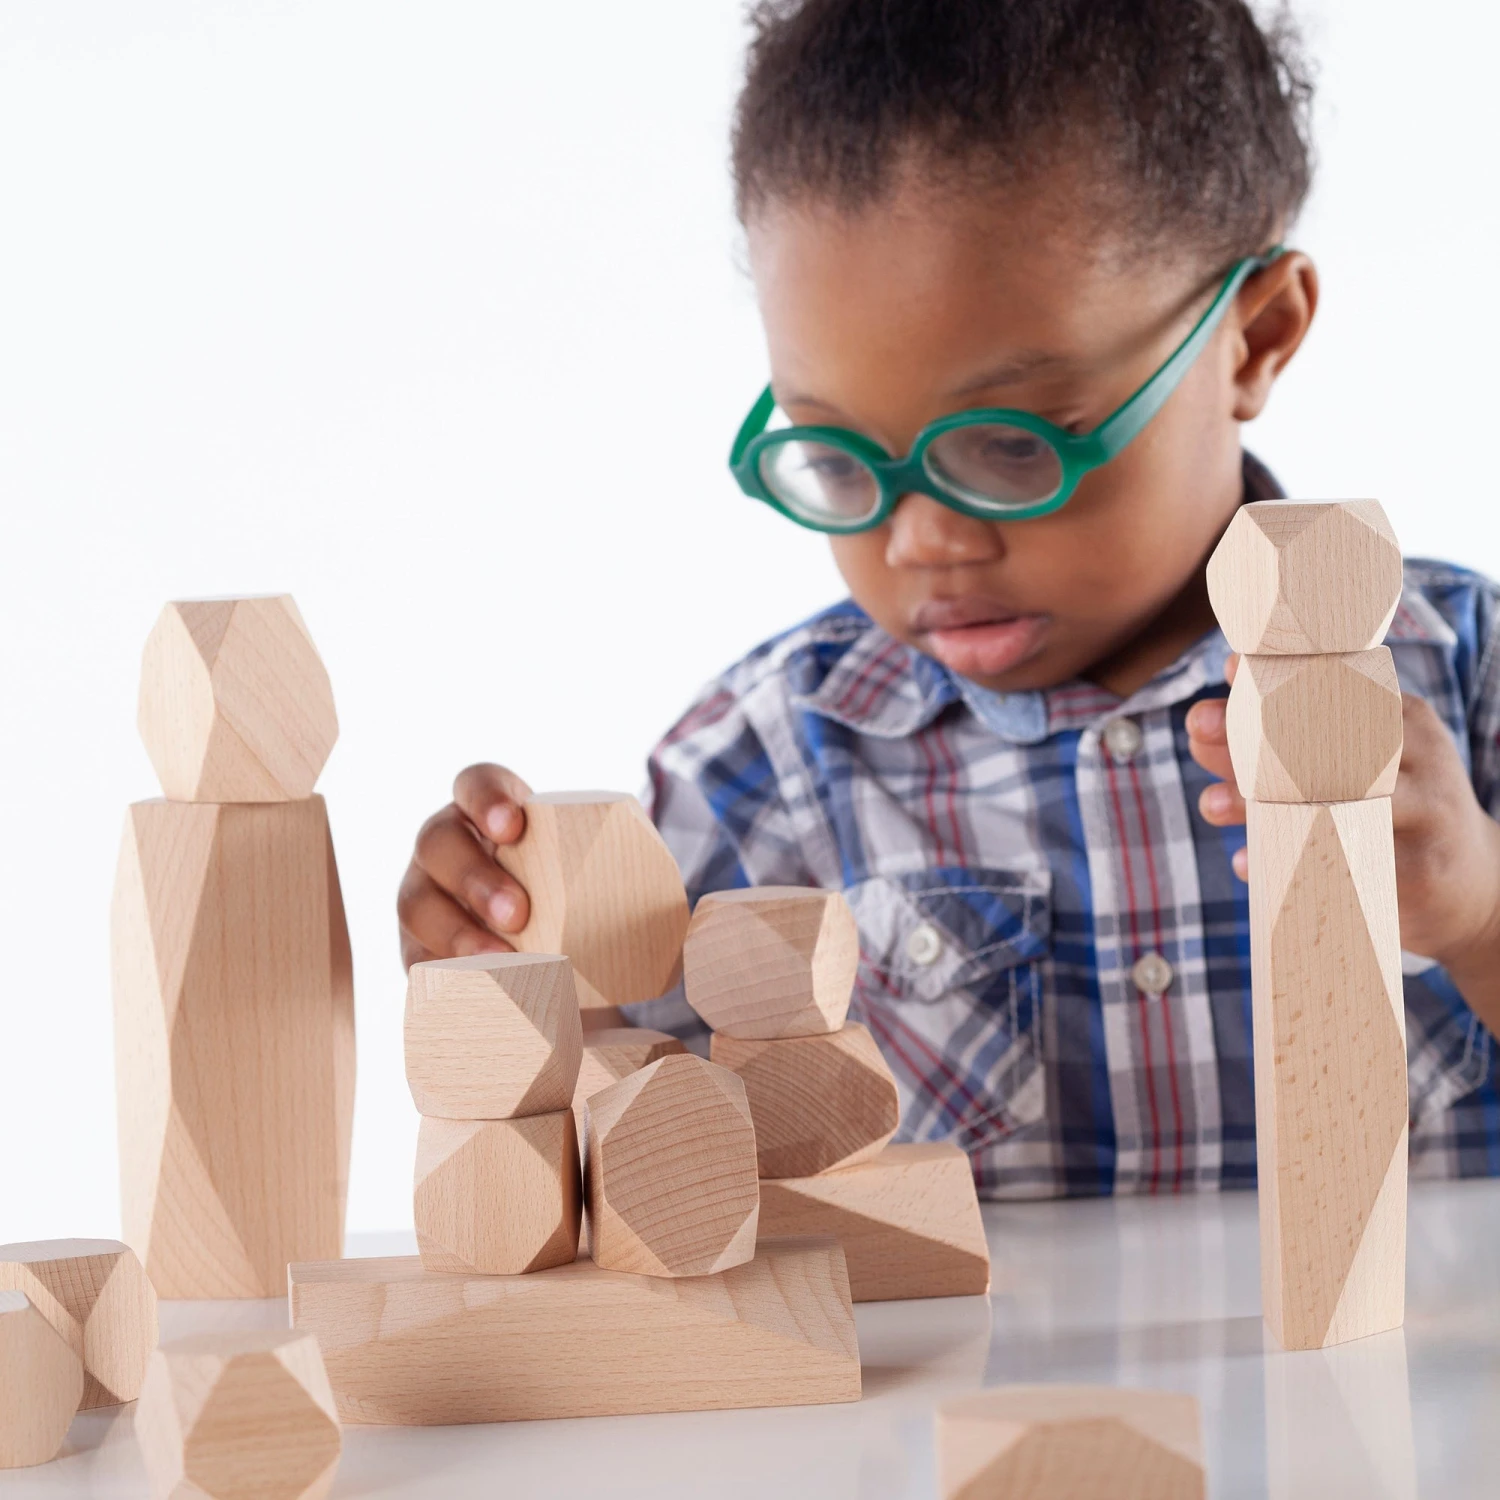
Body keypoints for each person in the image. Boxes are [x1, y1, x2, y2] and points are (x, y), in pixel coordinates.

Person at [397, 0, 1500, 1197]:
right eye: (837, 463)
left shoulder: (1465, 675)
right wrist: (527, 977)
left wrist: (1483, 919)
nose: (923, 540)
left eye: (1014, 447)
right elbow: (627, 1158)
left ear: (1254, 337)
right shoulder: (766, 769)